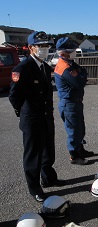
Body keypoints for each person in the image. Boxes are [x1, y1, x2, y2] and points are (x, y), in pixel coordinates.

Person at [8, 31, 65, 203]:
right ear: (31, 48)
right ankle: (35, 188)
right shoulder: (23, 69)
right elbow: (14, 96)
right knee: (33, 155)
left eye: (46, 46)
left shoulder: (45, 68)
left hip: (46, 117)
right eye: (41, 46)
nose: (44, 49)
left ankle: (48, 178)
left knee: (48, 150)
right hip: (32, 119)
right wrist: (24, 114)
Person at [54, 37, 94, 165]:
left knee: (80, 128)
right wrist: (81, 74)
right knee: (73, 130)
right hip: (69, 103)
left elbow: (83, 73)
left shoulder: (70, 63)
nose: (73, 52)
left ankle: (80, 149)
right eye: (71, 50)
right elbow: (79, 83)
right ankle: (74, 155)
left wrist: (81, 73)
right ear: (63, 52)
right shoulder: (65, 67)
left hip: (75, 102)